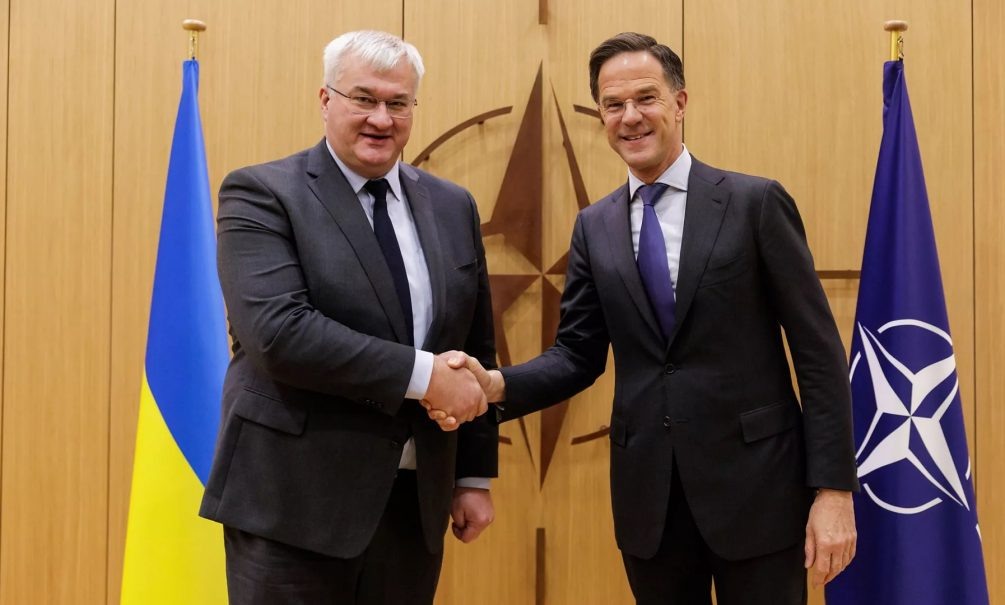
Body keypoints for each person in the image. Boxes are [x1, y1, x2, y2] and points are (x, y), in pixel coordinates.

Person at [439, 32, 858, 605]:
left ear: (679, 103)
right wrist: (494, 385)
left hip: (760, 492)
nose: (630, 117)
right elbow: (576, 355)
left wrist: (834, 490)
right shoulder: (595, 227)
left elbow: (818, 354)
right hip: (650, 504)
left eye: (646, 98)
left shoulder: (754, 204)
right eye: (613, 104)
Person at [199, 30, 498, 605]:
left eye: (398, 103)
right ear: (325, 99)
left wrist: (471, 476)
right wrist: (426, 377)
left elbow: (474, 346)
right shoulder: (262, 193)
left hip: (413, 505)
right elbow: (279, 334)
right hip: (292, 505)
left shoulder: (452, 205)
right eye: (364, 99)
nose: (381, 119)